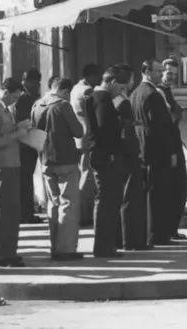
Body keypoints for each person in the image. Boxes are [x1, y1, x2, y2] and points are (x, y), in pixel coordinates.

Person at [32, 77, 85, 260]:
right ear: (64, 91)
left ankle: (55, 246)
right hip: (66, 159)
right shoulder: (63, 106)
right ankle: (67, 248)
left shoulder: (37, 105)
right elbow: (78, 131)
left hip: (46, 160)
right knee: (68, 204)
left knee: (53, 204)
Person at [131, 60, 178, 246]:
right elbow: (161, 127)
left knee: (149, 193)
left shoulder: (136, 93)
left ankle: (151, 233)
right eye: (159, 71)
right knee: (158, 194)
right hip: (157, 151)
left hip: (143, 148)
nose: (161, 74)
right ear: (148, 72)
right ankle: (158, 234)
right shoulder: (153, 95)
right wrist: (171, 152)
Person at [0, 77, 28, 267]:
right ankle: (2, 254)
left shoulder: (4, 109)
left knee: (12, 210)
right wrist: (17, 134)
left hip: (10, 163)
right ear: (6, 92)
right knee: (4, 210)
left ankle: (9, 251)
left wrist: (20, 128)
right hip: (1, 165)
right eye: (14, 97)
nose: (15, 101)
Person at [90, 66, 131, 257]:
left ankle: (108, 244)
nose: (121, 91)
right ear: (112, 82)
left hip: (105, 155)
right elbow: (104, 130)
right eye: (120, 86)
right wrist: (111, 152)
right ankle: (104, 246)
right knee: (108, 201)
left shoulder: (97, 98)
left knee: (109, 200)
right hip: (107, 157)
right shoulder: (103, 99)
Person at [117, 65, 148, 250]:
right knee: (131, 196)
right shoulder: (123, 102)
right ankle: (132, 239)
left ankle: (127, 237)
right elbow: (126, 130)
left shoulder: (120, 100)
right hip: (129, 153)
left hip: (123, 153)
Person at [160, 58, 187, 238]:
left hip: (173, 141)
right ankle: (169, 229)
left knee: (178, 186)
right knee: (175, 186)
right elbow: (169, 118)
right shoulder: (159, 91)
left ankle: (172, 227)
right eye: (168, 73)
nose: (171, 77)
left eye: (174, 74)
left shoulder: (167, 91)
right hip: (169, 144)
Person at [70, 64, 102, 227]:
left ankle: (83, 212)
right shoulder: (87, 91)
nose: (100, 80)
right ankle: (83, 214)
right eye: (98, 76)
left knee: (84, 174)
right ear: (91, 75)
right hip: (87, 138)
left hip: (80, 139)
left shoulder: (76, 88)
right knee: (87, 177)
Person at [14, 69, 44, 226]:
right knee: (24, 180)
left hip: (30, 143)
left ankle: (26, 212)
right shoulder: (24, 98)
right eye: (35, 82)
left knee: (27, 179)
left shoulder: (33, 97)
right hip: (24, 144)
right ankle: (25, 213)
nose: (37, 85)